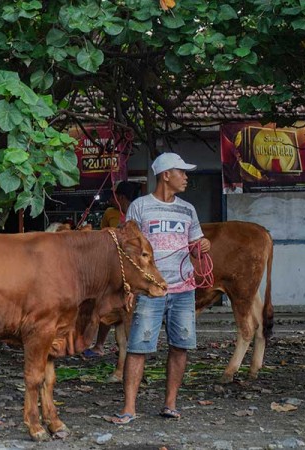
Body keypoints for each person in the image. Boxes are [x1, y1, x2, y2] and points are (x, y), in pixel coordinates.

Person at [109, 152, 211, 424]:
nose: (186, 177)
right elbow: (127, 249)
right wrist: (129, 286)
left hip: (183, 289)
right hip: (149, 290)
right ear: (166, 175)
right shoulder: (140, 207)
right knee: (138, 347)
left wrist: (203, 247)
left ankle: (170, 404)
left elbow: (197, 246)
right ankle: (129, 408)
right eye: (182, 172)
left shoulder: (188, 209)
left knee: (180, 346)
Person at [82, 180, 141, 358]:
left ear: (121, 197)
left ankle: (133, 352)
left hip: (132, 267)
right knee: (109, 307)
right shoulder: (110, 213)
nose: (111, 200)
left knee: (116, 306)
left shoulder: (139, 210)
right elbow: (104, 238)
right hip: (114, 264)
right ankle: (99, 345)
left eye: (115, 196)